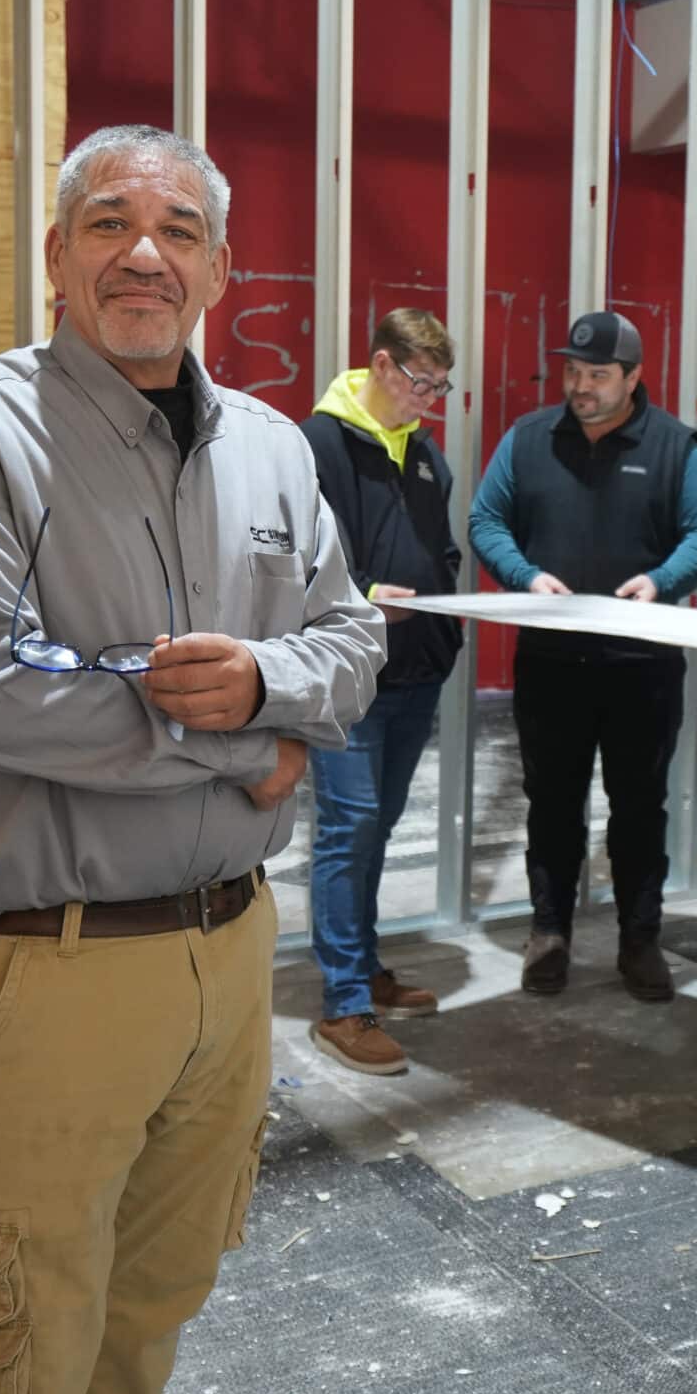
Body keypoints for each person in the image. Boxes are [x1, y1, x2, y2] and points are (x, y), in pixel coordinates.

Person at [0, 123, 383, 1394]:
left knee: (150, 1314)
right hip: (51, 967)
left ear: (221, 269)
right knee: (14, 1358)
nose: (142, 253)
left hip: (226, 961)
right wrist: (242, 738)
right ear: (56, 255)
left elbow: (353, 641)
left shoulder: (274, 447)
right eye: (107, 224)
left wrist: (267, 676)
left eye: (179, 231)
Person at [469, 310, 697, 1001]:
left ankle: (640, 939)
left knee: (639, 806)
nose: (580, 387)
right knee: (551, 803)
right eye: (573, 372)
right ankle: (548, 932)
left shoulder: (675, 446)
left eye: (597, 375)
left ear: (634, 377)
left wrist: (662, 580)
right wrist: (525, 575)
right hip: (551, 664)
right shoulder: (528, 440)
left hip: (641, 666)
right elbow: (484, 519)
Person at [298, 309, 465, 1076]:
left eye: (440, 385)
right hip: (348, 674)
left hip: (414, 669)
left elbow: (442, 548)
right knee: (348, 825)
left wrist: (445, 610)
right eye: (420, 382)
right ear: (381, 366)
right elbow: (297, 559)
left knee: (379, 826)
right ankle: (342, 1003)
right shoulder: (319, 443)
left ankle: (364, 967)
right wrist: (364, 595)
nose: (430, 398)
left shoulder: (427, 454)